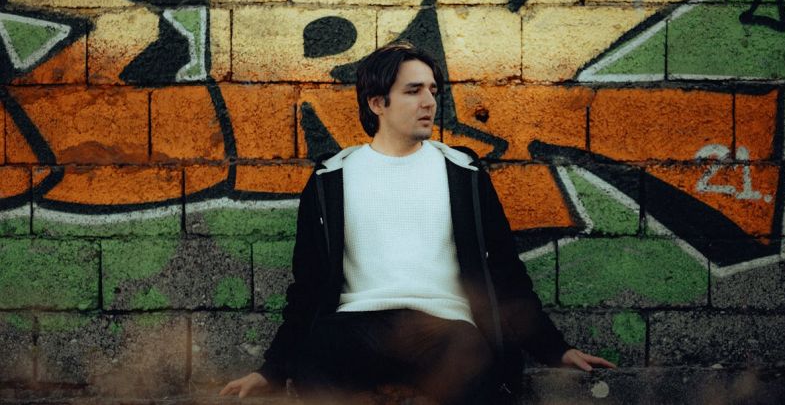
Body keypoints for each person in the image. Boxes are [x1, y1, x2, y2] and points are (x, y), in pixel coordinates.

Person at [220, 42, 616, 404]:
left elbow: (505, 272)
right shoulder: (331, 179)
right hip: (355, 328)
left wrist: (554, 349)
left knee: (479, 369)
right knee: (316, 360)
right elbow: (307, 286)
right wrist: (269, 370)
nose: (429, 101)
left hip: (445, 330)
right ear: (377, 103)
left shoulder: (463, 172)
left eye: (432, 90)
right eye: (413, 91)